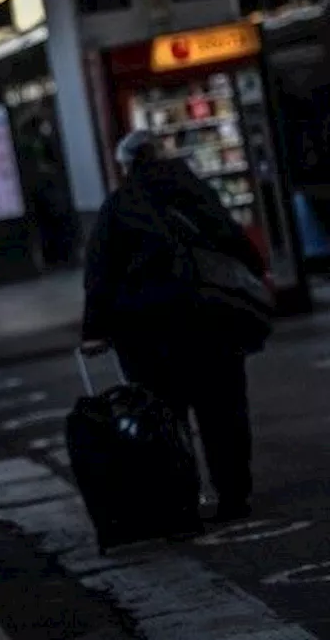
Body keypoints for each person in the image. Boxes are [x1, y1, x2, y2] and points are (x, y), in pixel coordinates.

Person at [80, 129, 267, 523]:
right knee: (223, 414)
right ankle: (234, 495)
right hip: (211, 322)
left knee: (165, 419)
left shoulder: (119, 206)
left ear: (128, 165)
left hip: (148, 334)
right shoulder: (196, 192)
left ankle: (182, 502)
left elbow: (99, 274)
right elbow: (239, 245)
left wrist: (93, 331)